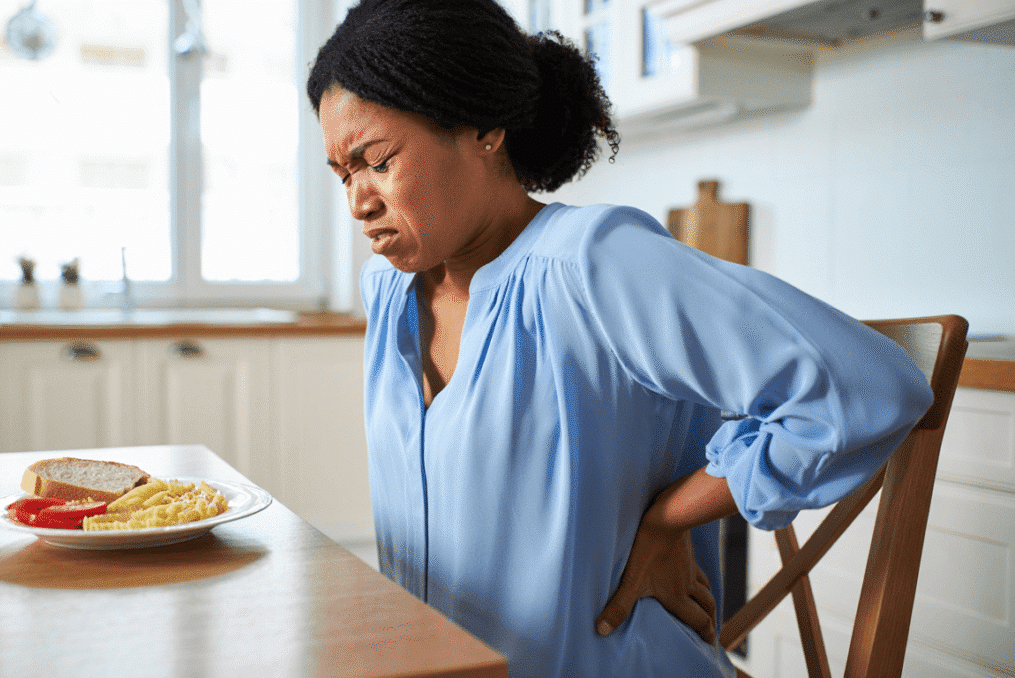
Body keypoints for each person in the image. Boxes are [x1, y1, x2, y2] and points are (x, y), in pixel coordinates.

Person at [307, 1, 935, 675]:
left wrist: (670, 518)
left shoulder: (593, 264)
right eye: (343, 173)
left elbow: (869, 388)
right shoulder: (389, 290)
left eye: (379, 161)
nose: (358, 202)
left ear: (483, 126)